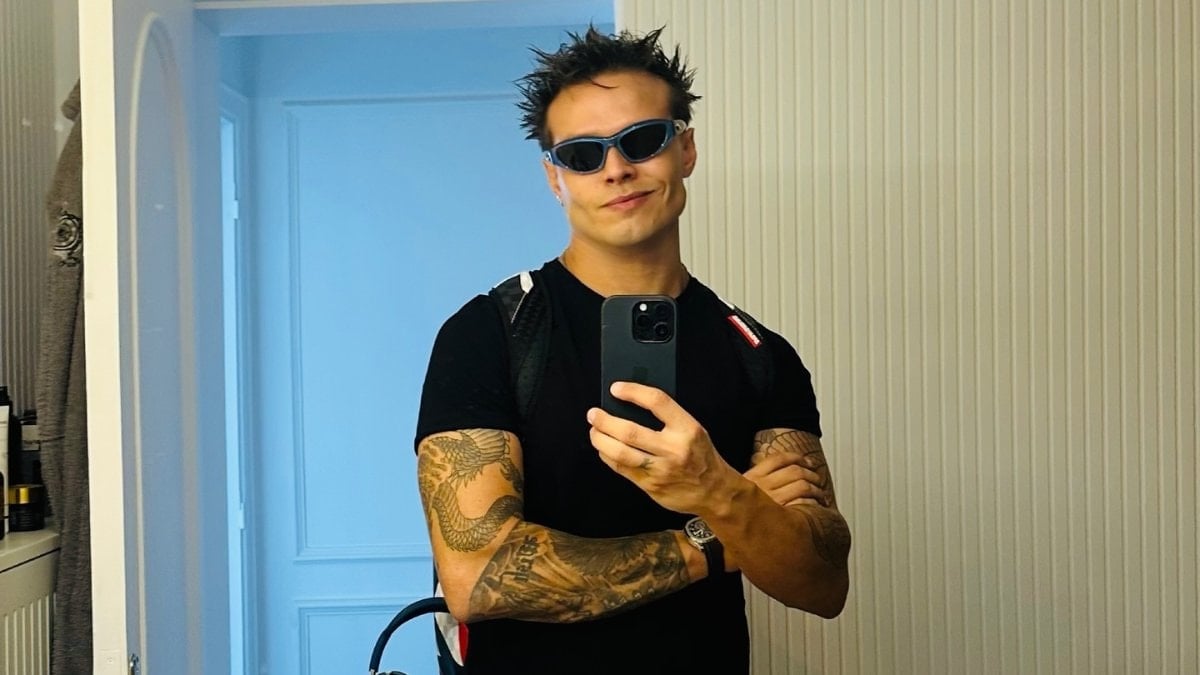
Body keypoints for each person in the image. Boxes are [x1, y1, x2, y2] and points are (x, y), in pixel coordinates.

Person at [414, 25, 851, 675]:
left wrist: (717, 489)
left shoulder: (759, 354)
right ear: (555, 177)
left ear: (686, 149)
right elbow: (478, 578)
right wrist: (717, 533)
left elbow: (822, 582)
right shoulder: (490, 334)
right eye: (583, 154)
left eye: (642, 140)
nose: (616, 168)